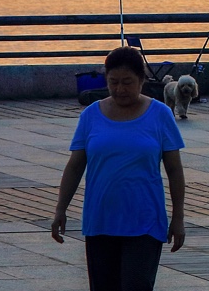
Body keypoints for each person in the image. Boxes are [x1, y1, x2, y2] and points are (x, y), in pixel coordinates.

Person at [51, 46, 188, 291]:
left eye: (127, 82)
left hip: (145, 221)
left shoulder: (160, 114)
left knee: (137, 284)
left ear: (142, 80)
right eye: (113, 82)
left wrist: (178, 218)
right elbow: (75, 166)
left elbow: (175, 170)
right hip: (101, 221)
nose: (120, 89)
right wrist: (61, 209)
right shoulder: (91, 116)